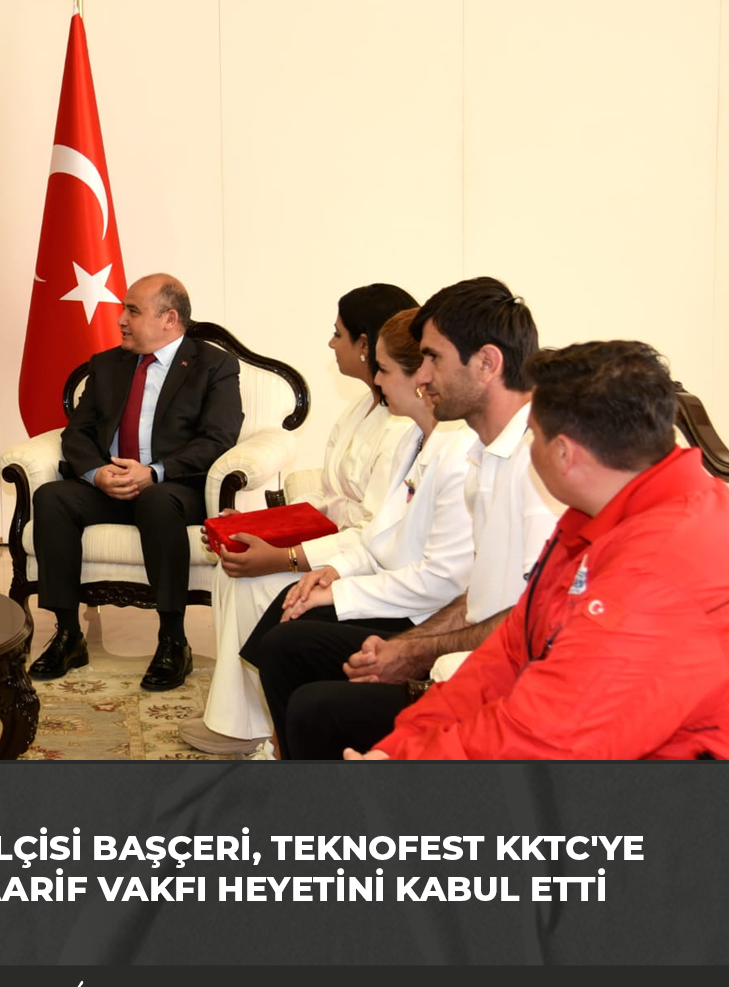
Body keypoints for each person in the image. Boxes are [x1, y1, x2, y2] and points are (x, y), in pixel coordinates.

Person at [349, 340, 729, 759]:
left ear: (563, 453)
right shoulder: (594, 520)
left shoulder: (663, 563)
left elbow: (548, 740)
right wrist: (399, 747)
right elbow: (508, 654)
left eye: (532, 434)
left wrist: (403, 769)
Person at [273, 277, 561, 755]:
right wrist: (406, 647)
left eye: (433, 359)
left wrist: (417, 652)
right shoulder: (484, 454)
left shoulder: (539, 467)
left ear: (487, 363)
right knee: (296, 661)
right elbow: (477, 597)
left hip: (509, 688)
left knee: (316, 707)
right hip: (472, 657)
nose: (421, 377)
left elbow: (529, 620)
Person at [183, 283, 418, 755]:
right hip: (336, 545)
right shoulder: (361, 407)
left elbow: (374, 533)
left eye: (338, 333)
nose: (330, 343)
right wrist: (258, 523)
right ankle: (242, 719)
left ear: (366, 344)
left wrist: (287, 557)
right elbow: (329, 497)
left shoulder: (406, 426)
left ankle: (258, 724)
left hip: (364, 561)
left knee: (254, 582)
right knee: (232, 569)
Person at [240, 308, 477, 755]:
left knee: (290, 641)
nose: (378, 381)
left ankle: (290, 746)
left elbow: (441, 581)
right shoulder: (412, 439)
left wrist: (341, 593)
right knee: (289, 621)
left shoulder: (458, 454)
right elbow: (377, 534)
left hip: (425, 614)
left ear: (418, 377)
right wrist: (332, 572)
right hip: (399, 593)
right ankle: (286, 745)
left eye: (383, 370)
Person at [27, 273, 244, 691]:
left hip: (175, 488)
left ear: (169, 319)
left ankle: (173, 640)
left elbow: (218, 439)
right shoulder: (108, 364)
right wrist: (97, 473)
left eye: (132, 311)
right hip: (110, 486)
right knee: (53, 497)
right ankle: (68, 634)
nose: (121, 320)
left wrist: (155, 472)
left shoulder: (214, 365)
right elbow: (77, 434)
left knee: (156, 501)